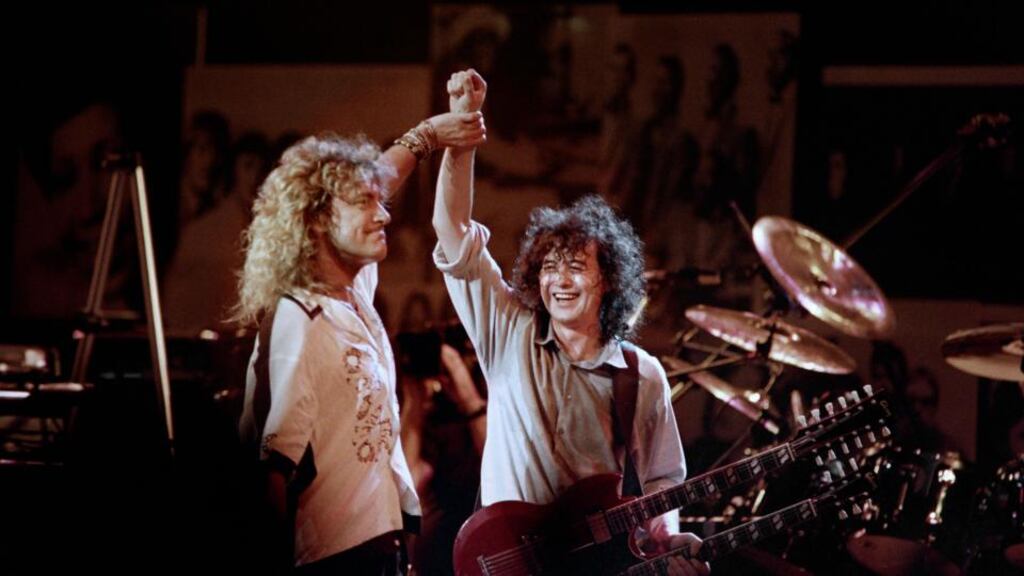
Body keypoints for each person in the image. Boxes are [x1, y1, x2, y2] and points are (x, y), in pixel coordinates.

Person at [432, 69, 709, 575]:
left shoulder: (640, 374)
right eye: (549, 267)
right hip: (502, 559)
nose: (559, 281)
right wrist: (461, 131)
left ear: (608, 281)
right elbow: (452, 230)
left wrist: (665, 535)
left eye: (576, 267)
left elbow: (663, 480)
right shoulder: (508, 331)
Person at [235, 110, 486, 574]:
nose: (384, 212)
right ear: (315, 222)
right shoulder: (297, 318)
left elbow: (381, 181)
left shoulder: (353, 295)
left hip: (380, 548)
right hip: (330, 559)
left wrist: (429, 135)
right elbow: (270, 473)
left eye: (380, 199)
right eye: (365, 202)